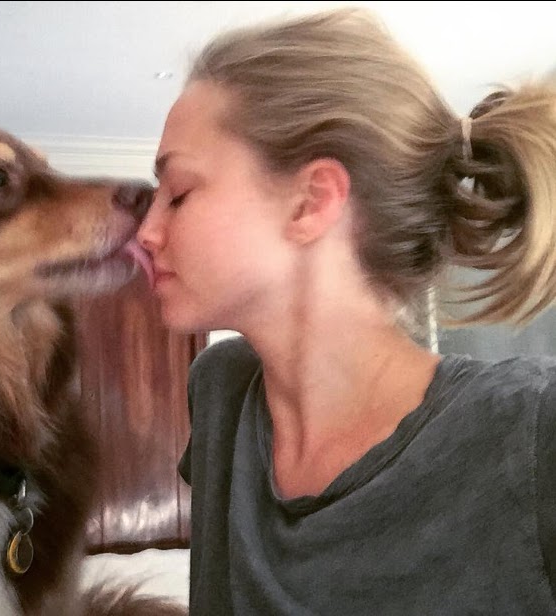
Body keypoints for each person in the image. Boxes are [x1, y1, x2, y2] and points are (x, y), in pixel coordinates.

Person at [135, 7, 556, 615]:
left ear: (311, 201)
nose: (146, 231)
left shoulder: (532, 435)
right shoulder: (219, 392)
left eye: (177, 193)